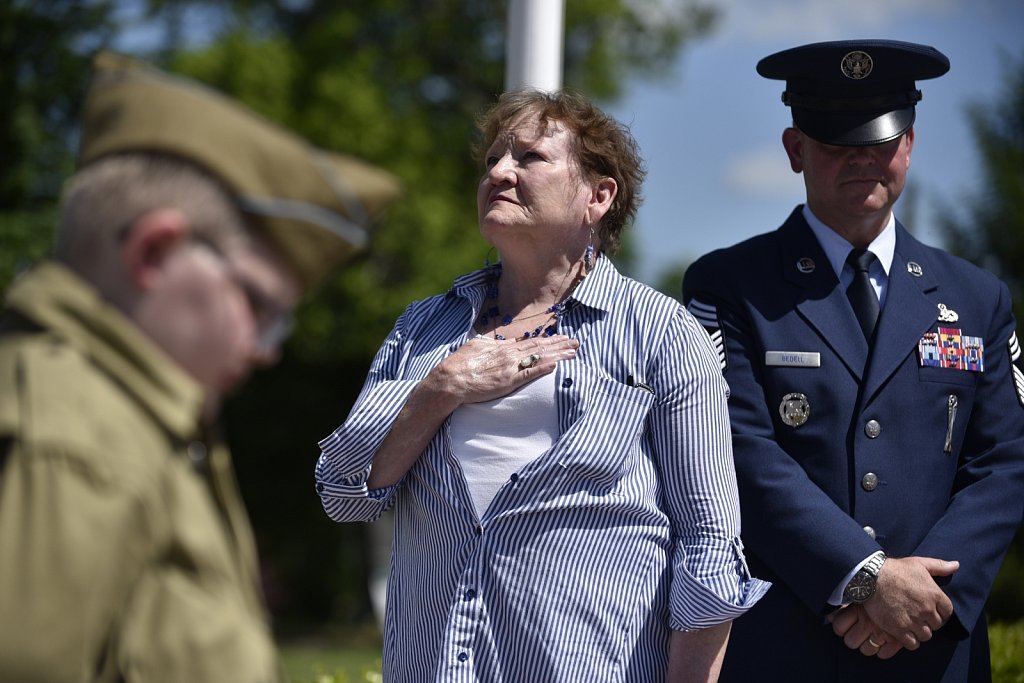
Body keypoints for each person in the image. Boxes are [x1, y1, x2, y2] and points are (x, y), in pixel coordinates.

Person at [314, 88, 769, 682]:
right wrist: (441, 387)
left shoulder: (663, 336)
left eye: (529, 158)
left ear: (597, 196)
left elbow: (708, 545)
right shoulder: (425, 327)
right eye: (492, 161)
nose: (499, 172)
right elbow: (343, 491)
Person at [0, 51, 398, 682]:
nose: (268, 348)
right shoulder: (76, 431)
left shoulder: (131, 420)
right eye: (259, 305)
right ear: (155, 252)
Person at [682, 39, 1024, 682]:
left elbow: (1005, 462)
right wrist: (865, 578)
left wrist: (923, 599)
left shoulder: (976, 298)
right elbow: (733, 450)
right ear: (795, 149)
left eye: (882, 138)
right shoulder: (731, 285)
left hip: (935, 650)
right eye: (837, 139)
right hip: (790, 644)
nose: (863, 157)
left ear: (911, 144)